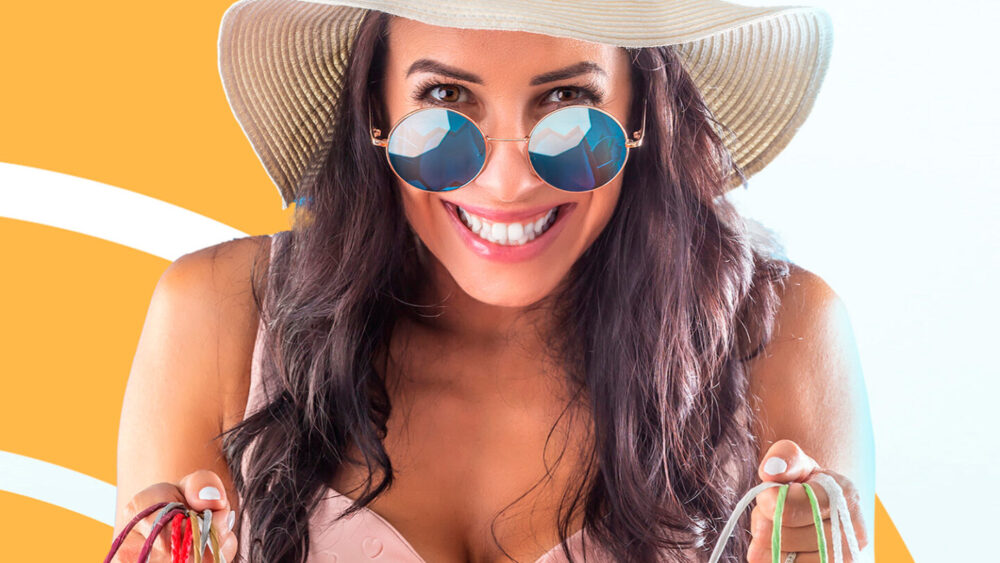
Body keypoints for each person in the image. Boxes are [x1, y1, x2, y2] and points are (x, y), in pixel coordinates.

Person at [111, 1, 875, 562]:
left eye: (570, 105)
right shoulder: (218, 323)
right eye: (445, 103)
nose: (507, 181)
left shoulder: (778, 340)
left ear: (642, 108)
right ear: (375, 106)